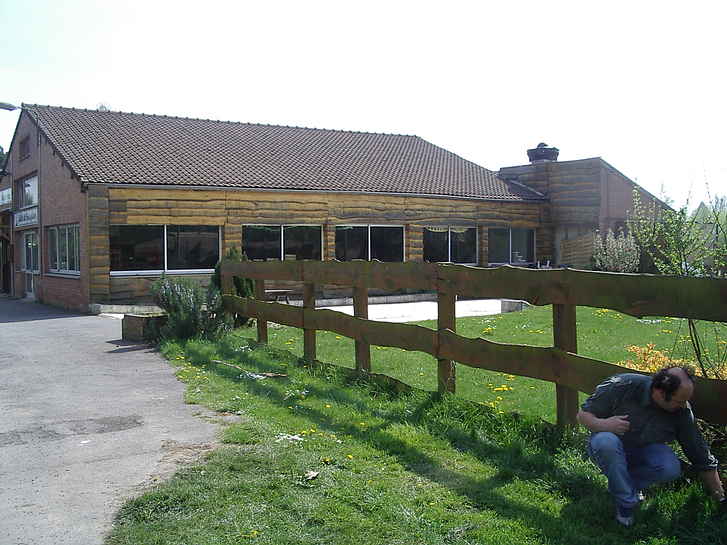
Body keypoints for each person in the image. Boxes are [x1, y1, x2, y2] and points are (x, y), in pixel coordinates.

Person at [577, 366, 725, 526]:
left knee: (670, 467)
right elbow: (583, 415)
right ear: (661, 393)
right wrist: (605, 424)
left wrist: (720, 497)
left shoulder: (682, 412)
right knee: (606, 442)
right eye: (680, 401)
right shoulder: (622, 385)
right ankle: (626, 505)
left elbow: (700, 454)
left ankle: (622, 486)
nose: (684, 406)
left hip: (645, 451)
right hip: (609, 447)